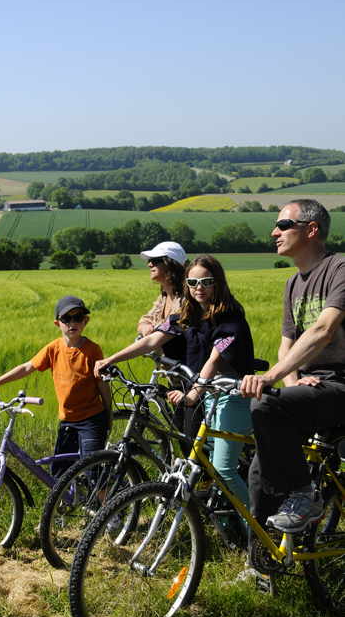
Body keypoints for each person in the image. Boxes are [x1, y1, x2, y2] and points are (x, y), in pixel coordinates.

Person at [95, 255, 255, 506]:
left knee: (223, 470)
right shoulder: (188, 313)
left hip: (230, 395)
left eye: (206, 281)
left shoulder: (230, 316)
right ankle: (224, 519)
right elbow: (152, 340)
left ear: (218, 283)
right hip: (207, 395)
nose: (198, 288)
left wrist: (192, 394)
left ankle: (259, 532)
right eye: (192, 282)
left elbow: (214, 361)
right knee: (203, 459)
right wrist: (111, 359)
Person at [240, 199, 345, 541]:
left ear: (311, 230)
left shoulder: (339, 269)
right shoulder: (292, 284)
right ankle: (264, 558)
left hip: (341, 384)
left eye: (283, 225)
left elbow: (322, 329)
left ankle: (306, 494)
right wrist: (293, 379)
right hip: (313, 387)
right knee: (260, 470)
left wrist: (271, 378)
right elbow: (287, 344)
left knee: (266, 404)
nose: (274, 232)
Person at [0, 295, 113, 476]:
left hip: (91, 421)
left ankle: (103, 504)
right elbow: (27, 367)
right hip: (67, 421)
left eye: (78, 318)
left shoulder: (92, 350)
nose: (72, 323)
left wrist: (109, 417)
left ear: (86, 321)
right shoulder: (53, 348)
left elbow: (103, 385)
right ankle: (62, 504)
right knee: (58, 473)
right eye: (66, 319)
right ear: (57, 323)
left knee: (93, 473)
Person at [137, 241, 187, 336]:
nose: (149, 265)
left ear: (170, 263)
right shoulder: (163, 297)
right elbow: (143, 321)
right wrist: (145, 328)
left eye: (154, 261)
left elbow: (159, 338)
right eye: (149, 261)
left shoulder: (184, 299)